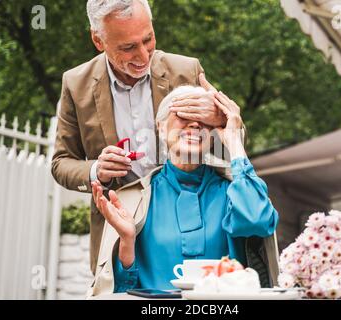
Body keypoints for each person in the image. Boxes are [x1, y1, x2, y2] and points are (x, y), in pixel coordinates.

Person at [51, 0, 229, 275]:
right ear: (98, 40)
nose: (144, 56)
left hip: (189, 223)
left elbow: (235, 148)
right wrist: (97, 169)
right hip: (118, 230)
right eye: (128, 47)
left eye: (148, 39)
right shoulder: (76, 84)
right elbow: (61, 163)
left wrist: (222, 123)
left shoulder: (187, 70)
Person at [88, 86, 279, 296]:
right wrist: (127, 240)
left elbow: (258, 222)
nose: (195, 123)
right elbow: (121, 290)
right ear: (161, 127)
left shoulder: (234, 190)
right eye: (183, 113)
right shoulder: (134, 200)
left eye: (204, 117)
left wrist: (233, 140)